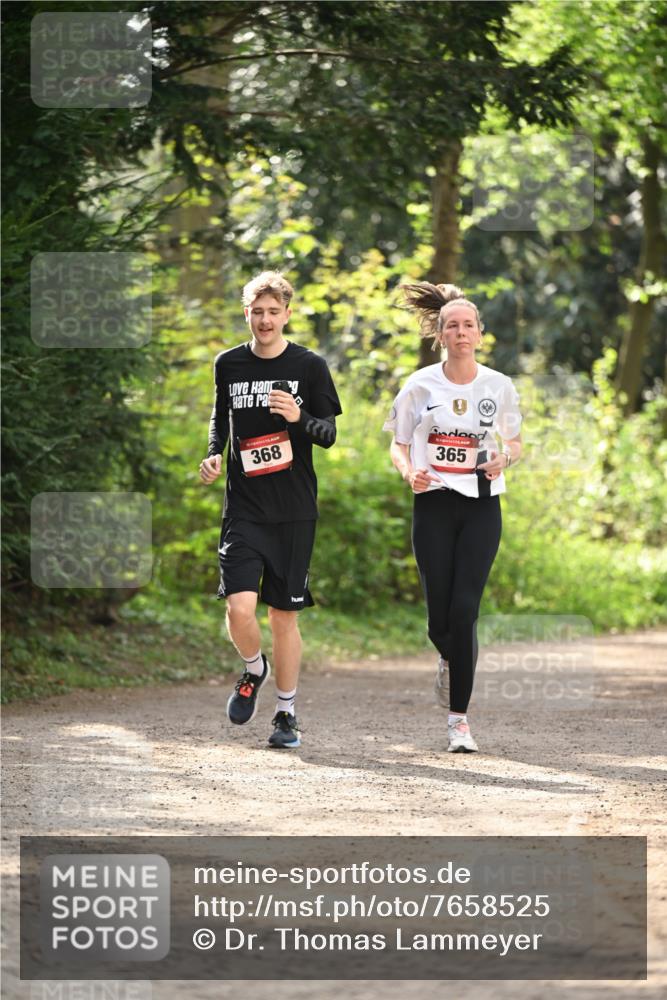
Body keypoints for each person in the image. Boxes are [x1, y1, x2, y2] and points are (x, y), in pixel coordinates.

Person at [200, 271, 342, 749]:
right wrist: (214, 451)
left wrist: (298, 417)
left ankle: (286, 713)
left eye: (272, 312)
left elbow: (329, 434)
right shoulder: (229, 363)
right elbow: (222, 414)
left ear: (287, 314)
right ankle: (253, 667)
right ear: (247, 314)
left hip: (294, 509)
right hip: (244, 507)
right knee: (240, 607)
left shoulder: (310, 365)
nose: (264, 320)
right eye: (256, 312)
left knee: (284, 615)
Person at [384, 282, 522, 753]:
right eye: (452, 326)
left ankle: (458, 721)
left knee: (465, 611)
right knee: (437, 622)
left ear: (480, 334)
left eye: (468, 325)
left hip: (483, 503)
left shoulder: (499, 385)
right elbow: (399, 444)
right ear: (439, 335)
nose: (461, 332)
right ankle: (450, 656)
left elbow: (516, 441)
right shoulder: (420, 385)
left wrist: (507, 457)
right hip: (435, 502)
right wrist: (409, 472)